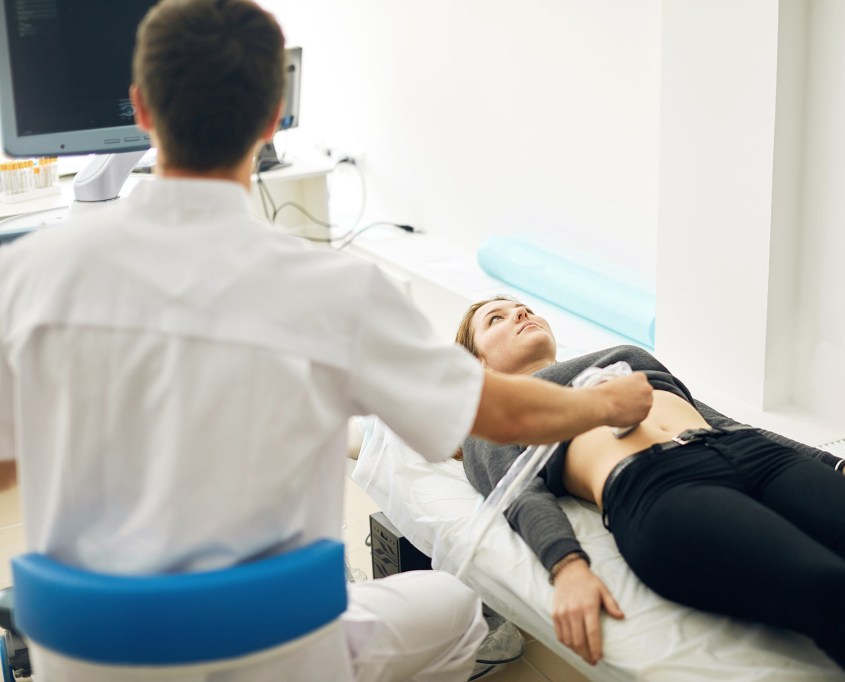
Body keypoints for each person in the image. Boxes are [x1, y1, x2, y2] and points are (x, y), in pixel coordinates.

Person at [0, 3, 652, 681]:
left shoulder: (30, 275)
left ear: (139, 109)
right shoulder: (333, 288)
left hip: (85, 653)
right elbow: (503, 414)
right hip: (272, 650)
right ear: (271, 116)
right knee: (461, 607)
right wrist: (609, 404)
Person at [456, 295, 845, 682]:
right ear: (477, 361)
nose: (519, 313)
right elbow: (519, 496)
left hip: (756, 458)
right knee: (844, 599)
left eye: (519, 305)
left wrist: (840, 468)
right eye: (496, 320)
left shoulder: (621, 356)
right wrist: (568, 566)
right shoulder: (491, 413)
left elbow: (724, 421)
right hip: (658, 488)